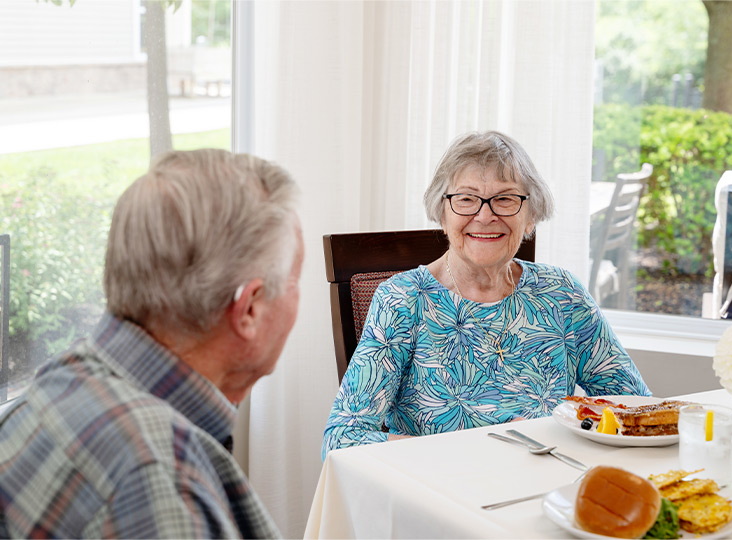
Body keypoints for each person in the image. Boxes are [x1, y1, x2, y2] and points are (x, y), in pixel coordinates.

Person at [0, 149, 303, 538]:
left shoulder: (50, 389)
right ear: (249, 309)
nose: (298, 298)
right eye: (295, 280)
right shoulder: (158, 484)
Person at [322, 131, 649, 459]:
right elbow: (342, 440)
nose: (485, 215)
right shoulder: (403, 301)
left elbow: (640, 411)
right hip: (443, 495)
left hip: (550, 487)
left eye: (505, 198)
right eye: (466, 198)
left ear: (531, 214)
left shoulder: (562, 294)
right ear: (442, 212)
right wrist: (476, 450)